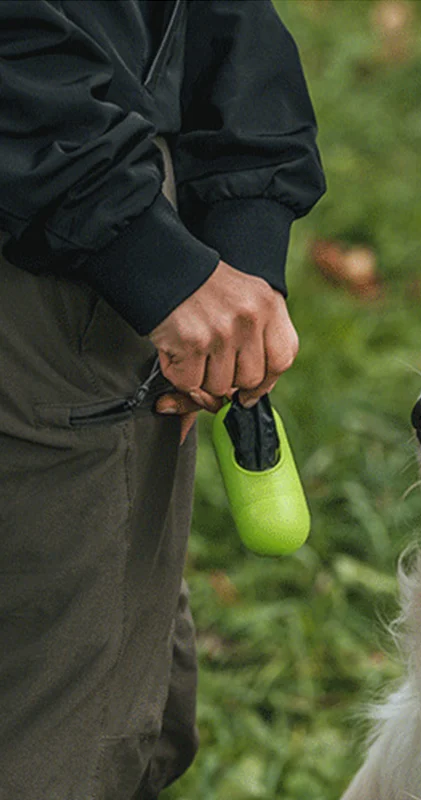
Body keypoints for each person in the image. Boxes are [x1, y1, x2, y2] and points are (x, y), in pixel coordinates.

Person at [0, 1, 325, 798]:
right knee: (60, 722)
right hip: (48, 218)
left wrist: (241, 235)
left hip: (90, 189)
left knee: (119, 684)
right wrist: (138, 245)